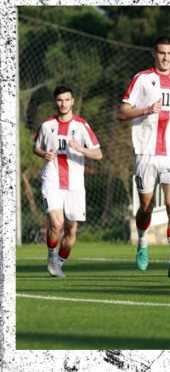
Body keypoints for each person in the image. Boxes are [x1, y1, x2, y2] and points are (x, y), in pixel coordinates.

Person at [118, 35, 170, 278]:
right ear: (154, 53)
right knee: (146, 207)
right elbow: (122, 112)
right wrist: (146, 110)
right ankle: (142, 240)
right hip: (146, 151)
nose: (166, 57)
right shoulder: (142, 79)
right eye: (162, 53)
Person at [34, 85, 103, 278]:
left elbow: (98, 153)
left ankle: (58, 263)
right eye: (59, 100)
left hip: (75, 184)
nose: (63, 104)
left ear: (72, 101)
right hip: (52, 180)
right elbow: (36, 147)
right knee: (56, 224)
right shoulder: (47, 125)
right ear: (55, 102)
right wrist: (44, 154)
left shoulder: (81, 125)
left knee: (71, 230)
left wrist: (81, 149)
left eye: (66, 100)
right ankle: (51, 254)